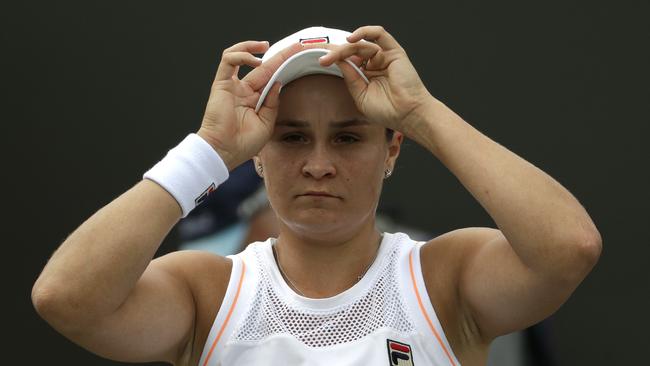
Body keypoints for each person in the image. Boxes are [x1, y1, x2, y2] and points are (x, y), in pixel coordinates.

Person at [31, 25, 601, 365]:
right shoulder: (206, 292)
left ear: (392, 149)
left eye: (349, 137)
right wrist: (207, 149)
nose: (319, 165)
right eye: (291, 137)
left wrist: (422, 113)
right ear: (256, 154)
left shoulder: (442, 279)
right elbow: (65, 297)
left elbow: (569, 246)